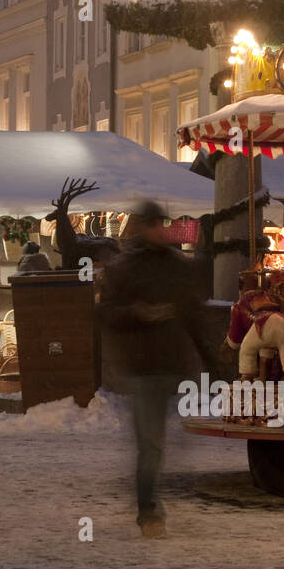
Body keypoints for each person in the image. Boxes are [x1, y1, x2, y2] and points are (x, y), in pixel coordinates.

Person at [98, 200, 212, 539]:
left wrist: (213, 364)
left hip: (169, 365)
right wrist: (138, 312)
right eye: (152, 224)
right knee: (151, 444)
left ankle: (150, 500)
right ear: (142, 227)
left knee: (159, 442)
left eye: (160, 223)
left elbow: (194, 316)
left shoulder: (177, 267)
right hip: (143, 366)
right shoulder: (125, 268)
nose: (158, 230)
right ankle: (147, 510)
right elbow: (106, 314)